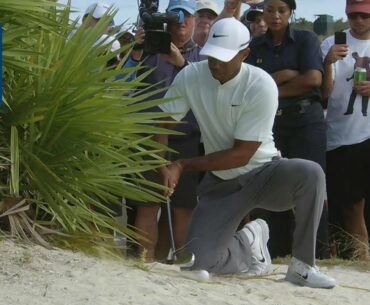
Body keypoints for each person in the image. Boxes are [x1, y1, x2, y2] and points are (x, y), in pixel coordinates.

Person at [156, 13, 335, 288]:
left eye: (224, 57)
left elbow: (242, 154)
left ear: (245, 54)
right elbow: (163, 123)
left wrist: (181, 165)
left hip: (265, 173)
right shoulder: (191, 75)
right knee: (200, 263)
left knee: (310, 173)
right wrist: (162, 164)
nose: (215, 63)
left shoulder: (261, 84)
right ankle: (249, 244)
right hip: (221, 183)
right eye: (211, 55)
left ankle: (302, 265)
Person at [246, 0, 330, 260]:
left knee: (312, 185)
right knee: (272, 185)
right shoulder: (255, 45)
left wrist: (271, 88)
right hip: (271, 124)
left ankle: (316, 253)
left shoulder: (306, 39)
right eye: (270, 10)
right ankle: (275, 252)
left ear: (291, 12)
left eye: (281, 10)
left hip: (306, 122)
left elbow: (313, 79)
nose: (275, 16)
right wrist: (285, 75)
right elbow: (252, 85)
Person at [126, 0, 204, 261]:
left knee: (182, 208)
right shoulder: (149, 49)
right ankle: (145, 263)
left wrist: (182, 64)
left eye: (187, 18)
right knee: (147, 205)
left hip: (185, 139)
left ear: (194, 20)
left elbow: (206, 91)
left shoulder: (202, 55)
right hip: (148, 139)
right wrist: (137, 48)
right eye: (176, 18)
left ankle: (171, 263)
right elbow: (125, 80)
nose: (181, 24)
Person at [321, 0, 370, 261]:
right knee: (349, 205)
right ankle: (360, 259)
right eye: (354, 16)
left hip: (366, 133)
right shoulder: (330, 44)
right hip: (341, 137)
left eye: (364, 15)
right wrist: (328, 62)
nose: (359, 21)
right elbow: (323, 94)